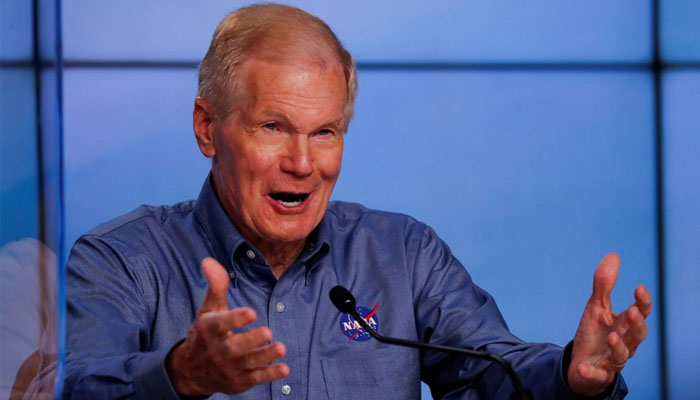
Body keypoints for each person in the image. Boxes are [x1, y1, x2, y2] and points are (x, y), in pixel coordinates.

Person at [64, 4, 651, 399]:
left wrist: (577, 376)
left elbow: (492, 368)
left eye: (325, 132)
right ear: (207, 127)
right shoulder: (121, 258)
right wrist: (182, 373)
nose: (302, 162)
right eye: (273, 126)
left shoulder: (403, 253)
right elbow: (80, 386)